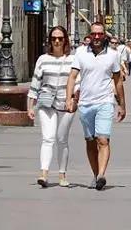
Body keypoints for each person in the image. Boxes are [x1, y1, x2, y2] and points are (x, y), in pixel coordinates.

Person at [66, 21, 126, 191]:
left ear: (105, 36)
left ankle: (101, 175)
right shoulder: (80, 53)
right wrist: (69, 98)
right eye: (94, 34)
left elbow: (118, 81)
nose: (97, 37)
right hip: (85, 103)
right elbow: (72, 76)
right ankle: (95, 174)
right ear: (90, 35)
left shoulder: (113, 55)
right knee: (90, 141)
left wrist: (122, 105)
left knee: (103, 139)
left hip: (105, 102)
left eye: (100, 34)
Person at [27, 26, 75, 188]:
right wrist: (30, 106)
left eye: (60, 38)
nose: (56, 41)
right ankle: (44, 174)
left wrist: (74, 100)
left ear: (65, 40)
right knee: (48, 138)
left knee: (62, 140)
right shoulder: (43, 59)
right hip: (46, 103)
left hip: (66, 104)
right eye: (54, 38)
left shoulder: (72, 60)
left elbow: (77, 83)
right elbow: (35, 83)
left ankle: (62, 175)